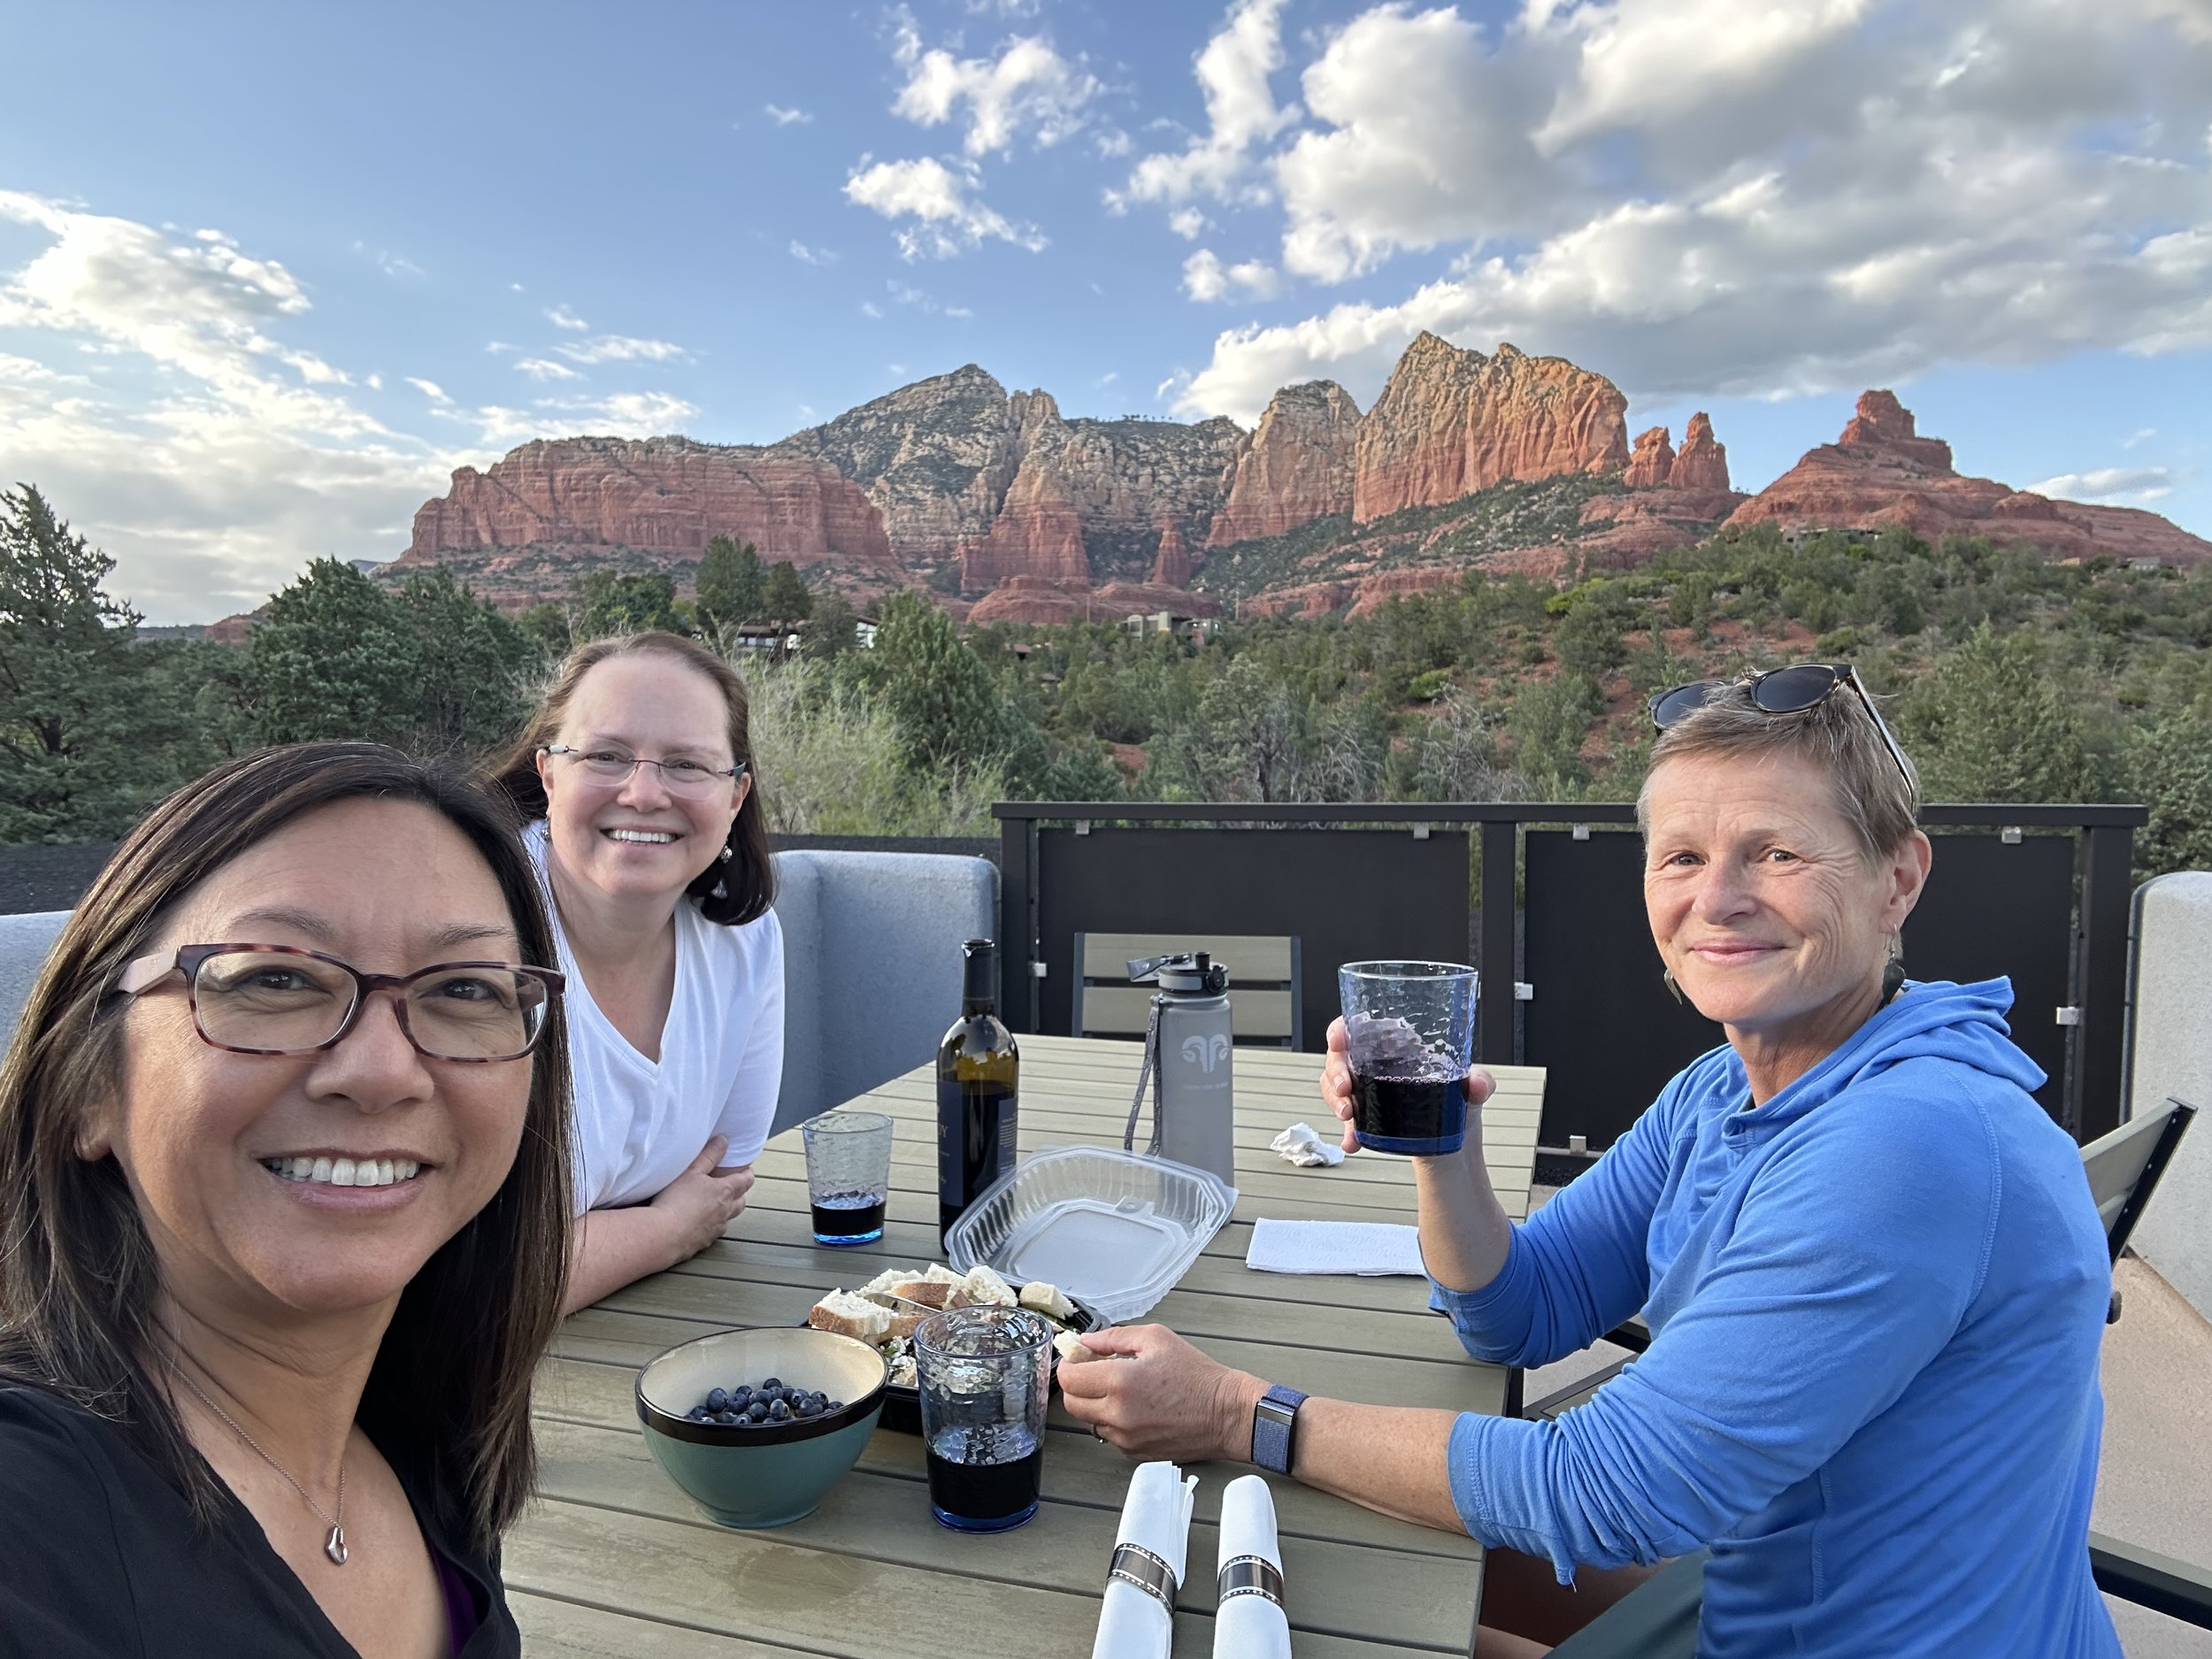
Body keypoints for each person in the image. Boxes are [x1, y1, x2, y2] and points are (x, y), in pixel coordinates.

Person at [1060, 664, 2122, 1659]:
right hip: (1770, 1583)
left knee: (1331, 1618)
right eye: (1683, 857)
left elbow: (1606, 1494)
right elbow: (1519, 1313)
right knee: (1324, 1553)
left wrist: (1238, 1410)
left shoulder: (1908, 1143)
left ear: (1898, 880)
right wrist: (1446, 1144)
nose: (1718, 898)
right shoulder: (1728, 1090)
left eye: (1777, 852)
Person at [0, 742, 572, 1657]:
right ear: (86, 1085)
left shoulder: (424, 1437)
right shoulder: (29, 1526)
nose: (382, 1071)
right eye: (275, 978)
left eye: (463, 989)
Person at [488, 631, 782, 1315]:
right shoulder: (470, 930)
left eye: (687, 764)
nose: (645, 792)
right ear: (549, 773)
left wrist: (577, 1249)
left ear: (735, 797)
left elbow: (719, 1183)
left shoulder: (743, 940)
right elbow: (464, 1282)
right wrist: (660, 1230)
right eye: (607, 755)